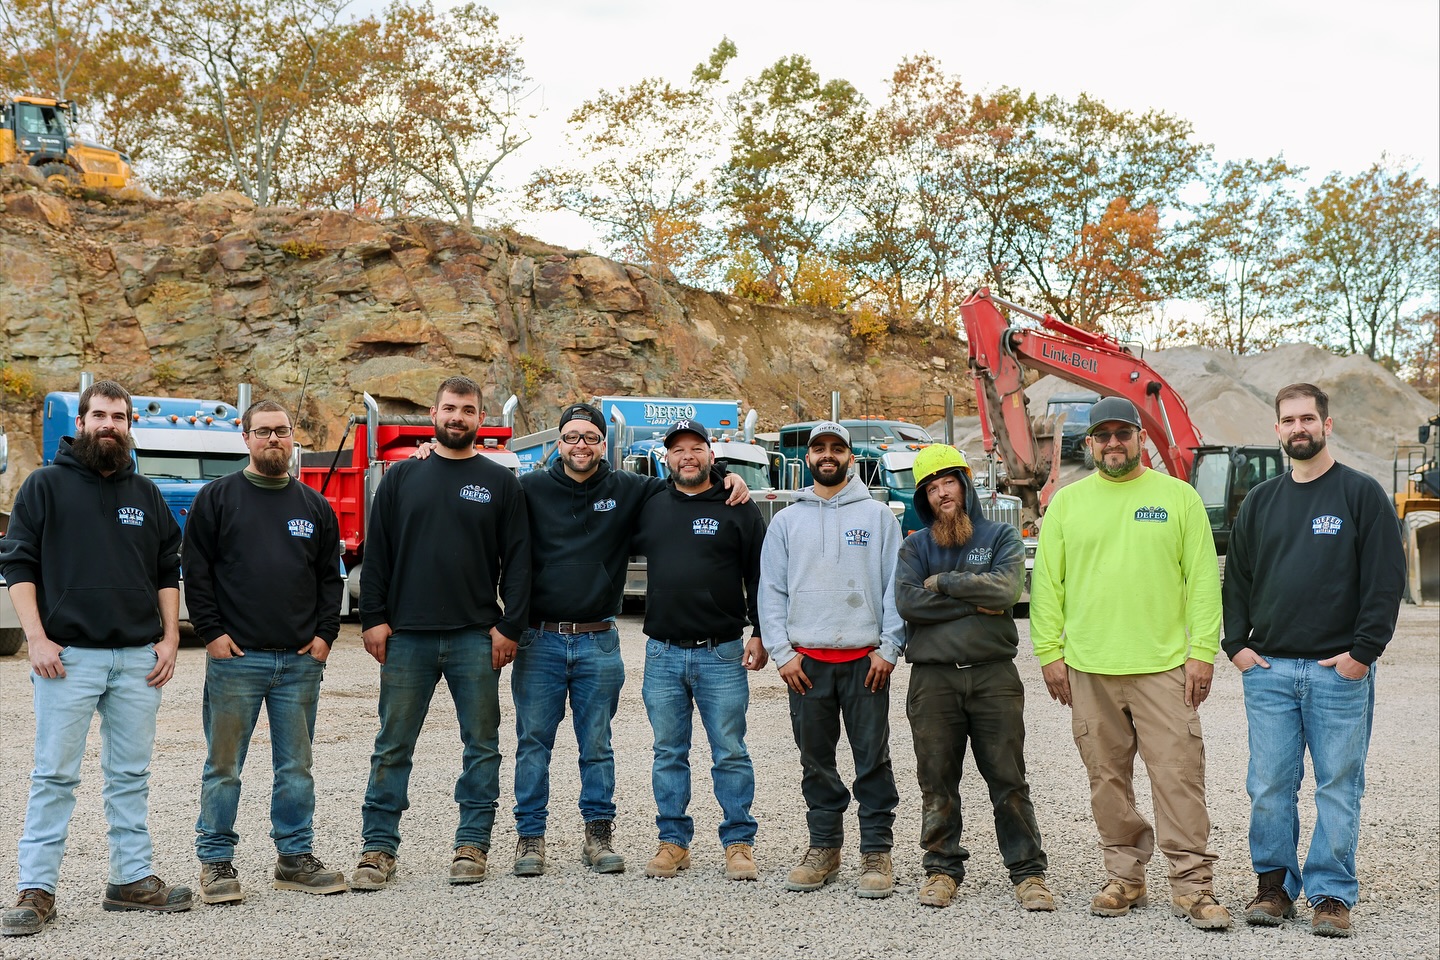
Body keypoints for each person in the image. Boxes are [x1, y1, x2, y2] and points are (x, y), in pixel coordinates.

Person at [510, 402, 747, 877]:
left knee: (597, 744)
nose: (580, 445)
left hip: (598, 638)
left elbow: (686, 479)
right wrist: (428, 454)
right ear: (559, 443)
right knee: (533, 743)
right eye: (571, 436)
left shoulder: (629, 488)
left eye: (590, 437)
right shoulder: (528, 488)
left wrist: (727, 476)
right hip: (540, 639)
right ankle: (530, 838)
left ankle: (598, 836)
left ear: (604, 444)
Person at [1029, 395, 1232, 931]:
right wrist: (1049, 652)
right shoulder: (1068, 504)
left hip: (1163, 667)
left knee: (1178, 776)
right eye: (1104, 435)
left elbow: (1202, 581)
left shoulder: (1178, 498)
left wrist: (1202, 653)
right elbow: (1047, 584)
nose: (1114, 443)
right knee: (1106, 779)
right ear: (1090, 444)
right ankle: (1124, 877)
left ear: (1141, 438)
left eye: (1124, 433)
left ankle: (1192, 885)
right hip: (1089, 668)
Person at [0, 380, 191, 937]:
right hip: (67, 660)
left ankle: (131, 880)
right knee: (54, 776)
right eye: (100, 415)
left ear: (130, 425)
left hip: (137, 660)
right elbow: (18, 563)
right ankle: (36, 890)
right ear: (81, 422)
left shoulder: (146, 494)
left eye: (119, 416)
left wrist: (170, 639)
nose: (110, 424)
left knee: (130, 776)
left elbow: (167, 567)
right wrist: (36, 638)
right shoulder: (44, 486)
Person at [1222, 383, 1405, 938]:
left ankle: (1330, 895)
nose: (1298, 428)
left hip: (1337, 673)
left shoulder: (1360, 494)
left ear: (1327, 424)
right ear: (1277, 429)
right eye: (1288, 420)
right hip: (1270, 672)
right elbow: (1238, 578)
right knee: (1269, 787)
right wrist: (1237, 646)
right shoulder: (1261, 500)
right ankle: (1274, 887)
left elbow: (1385, 580)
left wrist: (1362, 653)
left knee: (1338, 787)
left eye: (1307, 418)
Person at [353, 376, 530, 890]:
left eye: (468, 410)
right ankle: (377, 849)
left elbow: (519, 561)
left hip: (475, 637)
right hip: (407, 637)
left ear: (481, 419)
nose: (458, 417)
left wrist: (509, 626)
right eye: (450, 408)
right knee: (392, 745)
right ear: (433, 414)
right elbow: (378, 553)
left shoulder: (500, 482)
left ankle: (472, 844)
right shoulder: (402, 478)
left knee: (482, 746)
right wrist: (372, 618)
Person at [184, 400, 347, 904]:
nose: (273, 439)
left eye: (281, 430)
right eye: (263, 431)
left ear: (293, 437)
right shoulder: (217, 498)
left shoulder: (314, 505)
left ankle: (294, 857)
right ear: (245, 437)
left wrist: (325, 636)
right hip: (236, 661)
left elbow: (330, 578)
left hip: (299, 663)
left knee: (296, 767)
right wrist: (211, 633)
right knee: (224, 767)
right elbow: (196, 571)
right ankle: (216, 861)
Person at [893, 444, 1054, 912]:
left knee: (1008, 779)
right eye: (932, 488)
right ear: (924, 498)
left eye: (949, 482)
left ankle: (1028, 873)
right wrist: (973, 602)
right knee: (936, 780)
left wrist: (944, 583)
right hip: (933, 681)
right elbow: (907, 603)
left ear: (965, 484)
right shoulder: (915, 546)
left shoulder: (1000, 535)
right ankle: (942, 870)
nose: (942, 493)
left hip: (993, 678)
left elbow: (1006, 590)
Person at [758, 421, 904, 900]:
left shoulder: (879, 518)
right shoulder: (786, 521)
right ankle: (824, 847)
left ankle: (876, 850)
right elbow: (771, 591)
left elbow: (895, 588)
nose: (827, 455)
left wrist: (889, 648)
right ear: (807, 458)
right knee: (815, 761)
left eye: (836, 448)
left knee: (872, 759)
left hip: (867, 663)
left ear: (850, 458)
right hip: (805, 665)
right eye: (818, 448)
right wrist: (782, 654)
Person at [632, 419, 768, 882]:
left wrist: (761, 632)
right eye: (678, 450)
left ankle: (739, 844)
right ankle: (673, 842)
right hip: (662, 653)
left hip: (721, 653)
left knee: (729, 751)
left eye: (696, 448)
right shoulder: (650, 503)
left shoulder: (738, 506)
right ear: (666, 457)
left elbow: (760, 575)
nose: (687, 456)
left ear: (711, 454)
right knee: (668, 752)